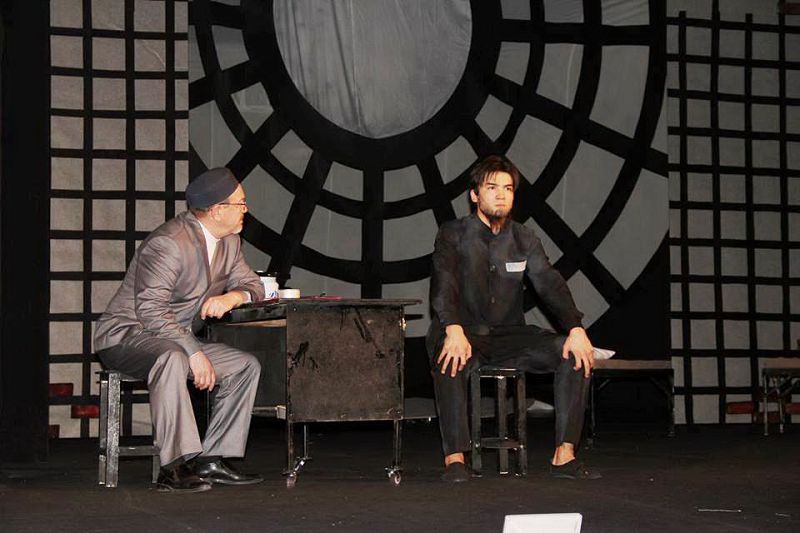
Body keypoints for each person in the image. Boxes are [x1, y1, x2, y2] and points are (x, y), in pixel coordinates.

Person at [427, 155, 601, 483]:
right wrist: (452, 326)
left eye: (508, 188)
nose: (501, 195)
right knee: (450, 357)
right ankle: (455, 458)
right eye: (492, 187)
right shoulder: (453, 234)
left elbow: (549, 283)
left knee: (573, 352)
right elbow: (444, 281)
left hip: (509, 336)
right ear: (475, 195)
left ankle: (564, 454)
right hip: (464, 331)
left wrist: (576, 328)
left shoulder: (524, 238)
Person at [94, 167, 265, 492]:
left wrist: (232, 296)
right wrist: (194, 353)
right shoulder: (169, 243)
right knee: (172, 358)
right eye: (240, 203)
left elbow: (253, 285)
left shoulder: (229, 241)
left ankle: (213, 459)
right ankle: (173, 467)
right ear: (217, 210)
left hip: (175, 338)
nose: (246, 209)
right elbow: (151, 310)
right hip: (127, 335)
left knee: (245, 366)